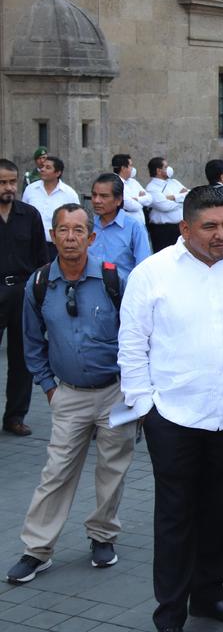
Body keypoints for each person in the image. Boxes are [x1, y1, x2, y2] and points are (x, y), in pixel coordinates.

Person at [118, 185, 223, 632]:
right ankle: (169, 618)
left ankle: (209, 595)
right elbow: (132, 345)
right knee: (175, 518)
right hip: (173, 418)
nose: (222, 234)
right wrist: (145, 408)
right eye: (210, 227)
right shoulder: (152, 274)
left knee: (218, 510)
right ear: (184, 228)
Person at [8, 203, 133, 584]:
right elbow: (31, 342)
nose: (71, 238)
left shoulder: (114, 279)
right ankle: (37, 549)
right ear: (53, 235)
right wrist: (49, 387)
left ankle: (103, 536)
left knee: (112, 470)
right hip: (68, 394)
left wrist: (135, 390)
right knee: (56, 472)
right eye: (63, 230)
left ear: (91, 237)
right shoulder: (38, 283)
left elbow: (137, 337)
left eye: (79, 231)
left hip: (115, 393)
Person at [0, 159, 47, 437]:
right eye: (2, 182)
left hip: (22, 292)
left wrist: (40, 295)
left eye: (12, 182)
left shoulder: (29, 215)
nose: (8, 187)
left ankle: (15, 416)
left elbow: (41, 258)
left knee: (22, 358)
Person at [88, 173, 152, 274]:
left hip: (123, 284)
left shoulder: (134, 227)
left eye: (104, 196)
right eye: (94, 195)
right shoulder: (88, 225)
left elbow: (143, 266)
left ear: (118, 200)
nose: (96, 200)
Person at [22, 155, 80, 256]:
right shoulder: (30, 189)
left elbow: (77, 218)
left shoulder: (69, 194)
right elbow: (23, 215)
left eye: (48, 167)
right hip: (31, 245)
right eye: (42, 167)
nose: (42, 169)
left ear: (58, 173)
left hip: (56, 247)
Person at [145, 157, 188, 252]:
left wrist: (174, 197)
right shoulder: (152, 188)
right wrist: (182, 200)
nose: (169, 169)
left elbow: (189, 195)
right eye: (166, 167)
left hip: (179, 228)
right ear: (158, 170)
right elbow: (165, 206)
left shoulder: (174, 182)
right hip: (163, 231)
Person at [112, 153, 151, 227]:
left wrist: (137, 199)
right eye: (130, 165)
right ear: (123, 168)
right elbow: (131, 205)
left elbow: (149, 199)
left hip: (140, 224)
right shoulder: (114, 183)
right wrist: (142, 200)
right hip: (126, 226)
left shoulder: (133, 182)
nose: (132, 168)